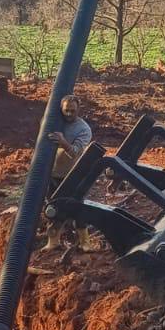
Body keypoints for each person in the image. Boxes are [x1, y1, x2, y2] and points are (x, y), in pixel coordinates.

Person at [43, 94, 93, 254]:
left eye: (73, 111)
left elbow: (76, 152)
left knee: (77, 207)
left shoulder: (84, 129)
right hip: (53, 173)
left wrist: (63, 142)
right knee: (53, 206)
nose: (69, 114)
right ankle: (53, 241)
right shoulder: (55, 122)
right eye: (66, 111)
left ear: (79, 109)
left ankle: (85, 242)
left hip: (72, 174)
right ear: (61, 109)